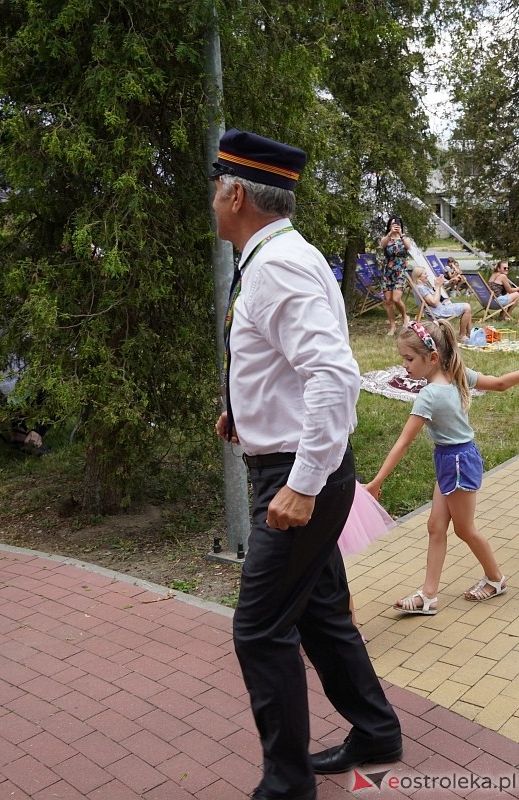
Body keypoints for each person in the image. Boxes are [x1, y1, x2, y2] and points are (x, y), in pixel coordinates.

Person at [210, 128, 402, 797]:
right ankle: (375, 731)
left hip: (300, 477)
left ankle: (286, 785)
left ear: (235, 192)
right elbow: (288, 364)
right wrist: (246, 412)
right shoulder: (281, 255)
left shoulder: (278, 264)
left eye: (216, 186)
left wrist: (299, 484)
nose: (213, 198)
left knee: (260, 630)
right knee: (318, 612)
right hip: (293, 460)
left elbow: (332, 375)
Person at [366, 320, 519, 614]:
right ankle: (429, 596)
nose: (404, 365)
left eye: (409, 359)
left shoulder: (430, 394)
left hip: (458, 462)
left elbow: (403, 442)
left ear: (432, 357)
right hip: (454, 458)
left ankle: (496, 578)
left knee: (465, 529)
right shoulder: (455, 375)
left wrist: (376, 482)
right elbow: (500, 383)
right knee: (436, 526)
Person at [411, 265, 473, 339]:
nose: (427, 275)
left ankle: (470, 334)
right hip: (439, 312)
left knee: (467, 307)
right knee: (467, 307)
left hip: (441, 309)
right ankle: (462, 335)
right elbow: (434, 303)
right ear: (418, 277)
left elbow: (436, 298)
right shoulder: (421, 288)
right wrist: (437, 286)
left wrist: (439, 286)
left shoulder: (421, 286)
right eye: (425, 274)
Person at [379, 216, 416, 336]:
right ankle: (392, 326)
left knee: (396, 299)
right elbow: (382, 245)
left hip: (400, 271)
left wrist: (401, 234)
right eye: (393, 224)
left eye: (398, 225)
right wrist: (390, 233)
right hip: (388, 272)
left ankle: (405, 316)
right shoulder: (386, 238)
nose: (395, 227)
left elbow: (408, 246)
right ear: (389, 226)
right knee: (388, 301)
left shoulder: (405, 238)